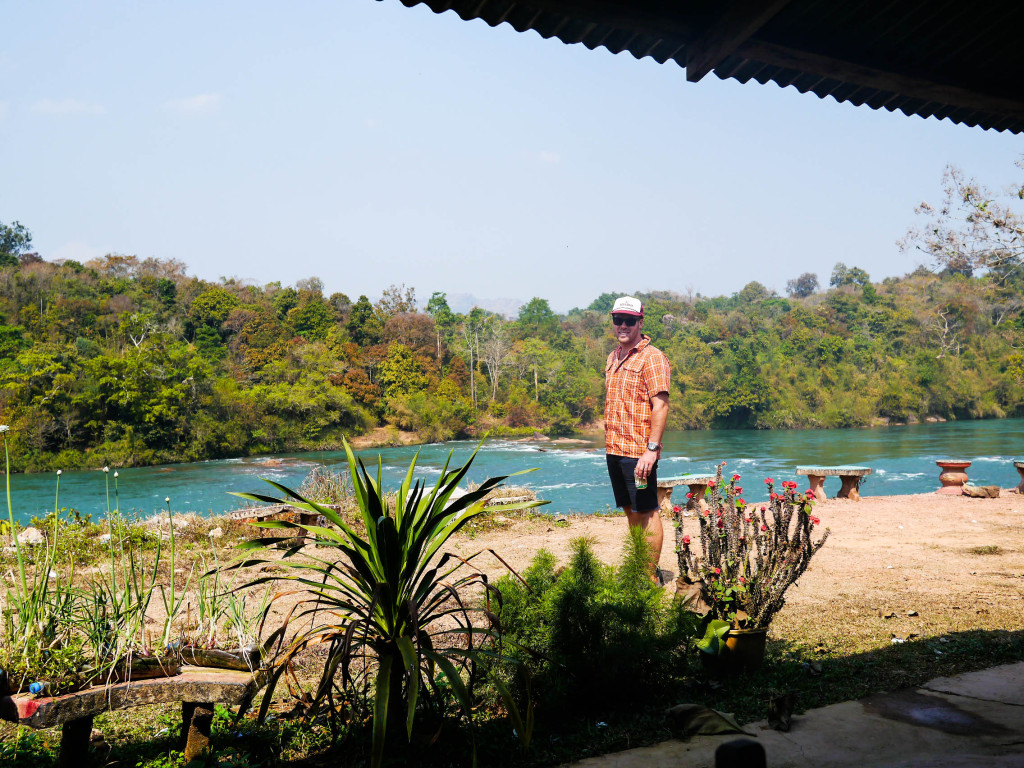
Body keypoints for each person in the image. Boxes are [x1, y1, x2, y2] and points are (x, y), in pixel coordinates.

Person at [604, 296, 671, 583]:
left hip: (639, 452)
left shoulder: (652, 357)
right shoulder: (613, 356)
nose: (623, 325)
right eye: (618, 319)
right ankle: (637, 567)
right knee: (630, 510)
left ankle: (648, 575)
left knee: (647, 511)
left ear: (640, 322)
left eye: (629, 320)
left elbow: (661, 405)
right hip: (615, 448)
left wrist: (651, 450)